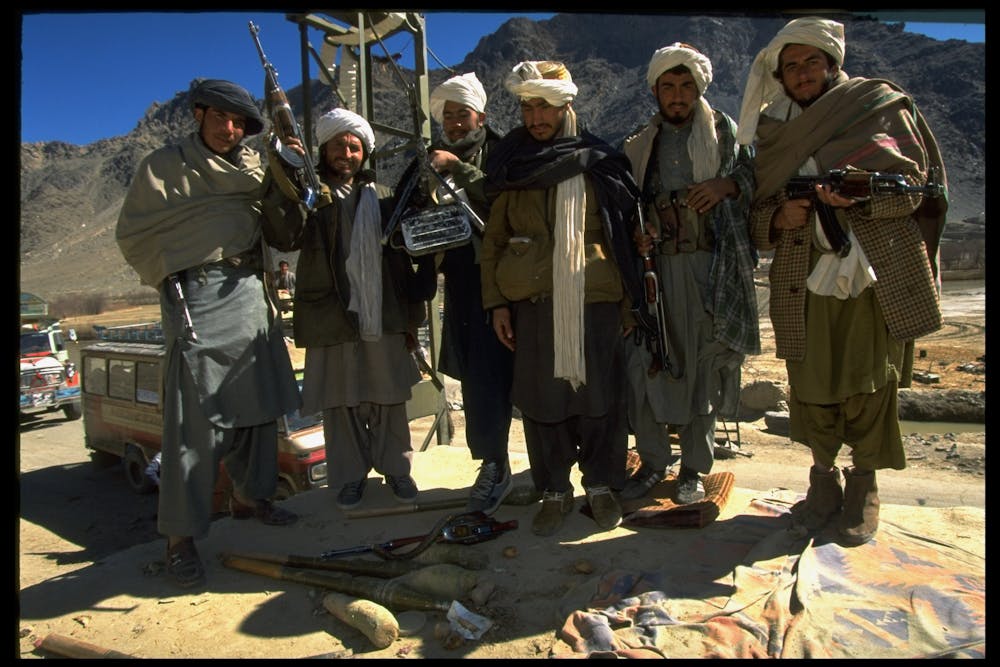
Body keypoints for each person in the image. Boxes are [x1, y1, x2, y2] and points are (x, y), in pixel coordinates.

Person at [737, 17, 948, 545]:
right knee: (811, 388)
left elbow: (916, 193)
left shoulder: (878, 107)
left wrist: (861, 199)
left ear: (832, 65)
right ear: (780, 76)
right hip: (802, 282)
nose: (802, 73)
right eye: (792, 66)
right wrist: (778, 218)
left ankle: (864, 488)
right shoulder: (771, 131)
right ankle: (823, 483)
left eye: (812, 62)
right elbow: (755, 216)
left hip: (873, 279)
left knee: (869, 386)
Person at [116, 78, 303, 589]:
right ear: (198, 114)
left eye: (239, 121)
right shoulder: (163, 168)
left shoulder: (254, 168)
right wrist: (177, 267)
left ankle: (252, 500)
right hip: (195, 298)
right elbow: (133, 236)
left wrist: (289, 172)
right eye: (221, 117)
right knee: (193, 428)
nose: (230, 128)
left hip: (249, 294)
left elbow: (283, 226)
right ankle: (180, 539)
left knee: (261, 408)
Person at [480, 61, 645, 536]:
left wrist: (631, 305)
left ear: (566, 104)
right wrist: (497, 303)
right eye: (528, 107)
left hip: (594, 301)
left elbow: (625, 239)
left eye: (545, 107)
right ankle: (554, 489)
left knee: (600, 400)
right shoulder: (514, 167)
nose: (535, 118)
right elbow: (494, 242)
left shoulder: (600, 162)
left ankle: (601, 486)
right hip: (533, 303)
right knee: (541, 401)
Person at [265, 107, 435, 510]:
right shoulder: (309, 195)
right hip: (330, 314)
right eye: (338, 145)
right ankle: (349, 477)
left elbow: (404, 260)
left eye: (354, 146)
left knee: (389, 396)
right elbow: (283, 234)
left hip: (385, 313)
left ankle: (397, 470)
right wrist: (285, 171)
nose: (346, 152)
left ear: (365, 153)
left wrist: (412, 318)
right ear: (323, 150)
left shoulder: (384, 199)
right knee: (339, 401)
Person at [618, 43, 759, 505]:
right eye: (668, 87)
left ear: (699, 88)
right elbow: (628, 205)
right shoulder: (639, 145)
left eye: (686, 86)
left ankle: (693, 470)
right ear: (656, 91)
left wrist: (729, 183)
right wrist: (641, 234)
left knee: (702, 372)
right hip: (654, 272)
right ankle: (654, 461)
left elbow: (759, 176)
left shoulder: (726, 134)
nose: (677, 96)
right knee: (647, 367)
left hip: (709, 271)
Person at [394, 72, 515, 514]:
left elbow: (508, 198)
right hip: (463, 283)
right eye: (448, 117)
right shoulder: (426, 162)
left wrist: (457, 168)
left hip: (512, 279)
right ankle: (493, 465)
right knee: (482, 378)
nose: (456, 123)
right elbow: (405, 214)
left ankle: (547, 471)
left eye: (462, 114)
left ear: (480, 114)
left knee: (528, 375)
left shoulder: (505, 152)